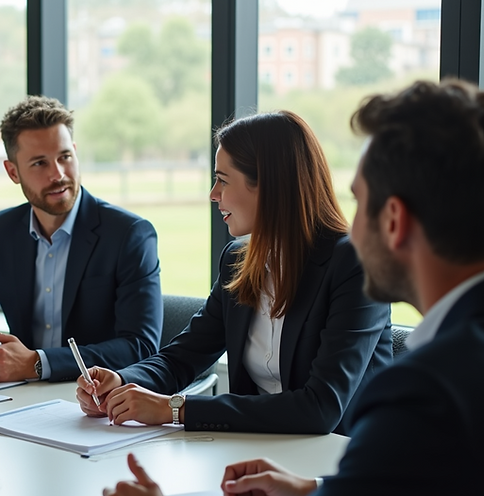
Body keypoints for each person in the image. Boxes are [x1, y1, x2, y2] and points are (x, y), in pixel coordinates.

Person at [102, 79, 484, 496]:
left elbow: (326, 414)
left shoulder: (428, 390)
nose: (351, 224)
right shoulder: (468, 362)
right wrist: (318, 494)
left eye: (361, 201)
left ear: (394, 220)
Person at [77, 110, 392, 434]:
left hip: (339, 465)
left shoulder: (353, 265)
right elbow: (182, 357)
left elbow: (320, 408)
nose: (213, 194)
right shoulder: (238, 259)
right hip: (255, 455)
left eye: (223, 180)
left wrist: (175, 409)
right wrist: (121, 381)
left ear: (269, 186)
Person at [0, 95, 163, 384]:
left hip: (97, 405)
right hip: (20, 400)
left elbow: (138, 346)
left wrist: (37, 363)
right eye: (39, 163)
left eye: (65, 157)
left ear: (75, 153)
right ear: (13, 171)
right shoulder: (2, 231)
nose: (58, 174)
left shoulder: (129, 234)